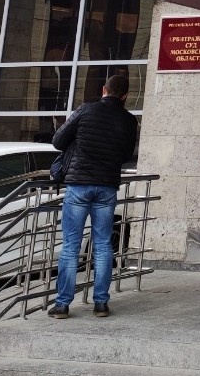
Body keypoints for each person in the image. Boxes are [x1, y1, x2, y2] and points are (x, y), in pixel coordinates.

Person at [49, 72, 138, 320]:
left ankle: (62, 305)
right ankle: (101, 303)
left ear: (103, 90)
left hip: (79, 185)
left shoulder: (85, 110)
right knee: (102, 245)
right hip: (107, 186)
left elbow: (58, 141)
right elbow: (126, 155)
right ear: (125, 96)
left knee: (71, 245)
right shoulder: (129, 120)